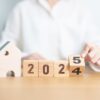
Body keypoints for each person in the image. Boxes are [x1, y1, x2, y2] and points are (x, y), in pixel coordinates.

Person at [0, 0, 100, 72]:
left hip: (75, 80)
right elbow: (4, 48)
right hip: (32, 81)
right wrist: (22, 58)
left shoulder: (82, 9)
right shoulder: (21, 9)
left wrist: (96, 54)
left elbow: (95, 44)